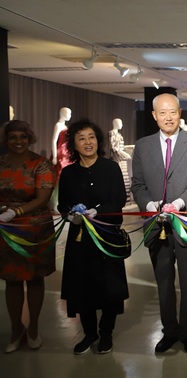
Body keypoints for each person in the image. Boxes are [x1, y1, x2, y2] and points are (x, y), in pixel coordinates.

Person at [131, 93, 187, 354]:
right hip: (156, 225)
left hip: (186, 222)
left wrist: (178, 203)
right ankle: (169, 330)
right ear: (154, 115)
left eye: (172, 112)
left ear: (180, 112)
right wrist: (149, 205)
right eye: (162, 112)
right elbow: (138, 184)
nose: (168, 117)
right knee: (163, 282)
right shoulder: (142, 146)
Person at [57, 119, 128, 355]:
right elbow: (62, 204)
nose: (88, 142)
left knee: (109, 288)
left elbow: (118, 199)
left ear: (98, 140)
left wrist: (98, 211)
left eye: (91, 137)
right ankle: (89, 333)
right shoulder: (68, 173)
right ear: (74, 145)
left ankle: (106, 334)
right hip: (80, 239)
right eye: (81, 138)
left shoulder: (111, 168)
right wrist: (71, 215)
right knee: (82, 288)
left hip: (107, 237)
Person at [0, 120, 55, 353]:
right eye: (13, 137)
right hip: (6, 230)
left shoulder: (40, 164)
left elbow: (42, 198)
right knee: (12, 281)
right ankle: (15, 329)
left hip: (35, 229)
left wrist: (16, 211)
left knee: (34, 278)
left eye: (22, 137)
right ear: (6, 140)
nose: (18, 141)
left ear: (29, 138)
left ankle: (33, 328)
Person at [109, 118, 131, 203]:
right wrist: (123, 153)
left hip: (122, 159)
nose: (122, 125)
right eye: (120, 123)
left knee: (125, 178)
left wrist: (128, 150)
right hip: (117, 159)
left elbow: (120, 147)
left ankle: (126, 199)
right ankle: (118, 199)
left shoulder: (119, 134)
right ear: (116, 123)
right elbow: (113, 148)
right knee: (118, 178)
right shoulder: (112, 133)